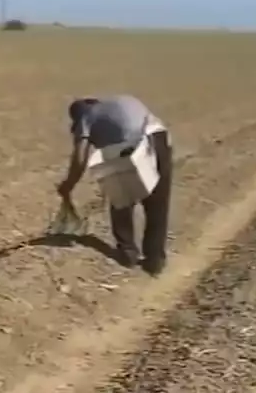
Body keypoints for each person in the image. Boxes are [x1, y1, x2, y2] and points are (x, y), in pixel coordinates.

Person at [57, 95, 173, 275]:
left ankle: (128, 253)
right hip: (158, 138)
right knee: (157, 202)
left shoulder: (86, 117)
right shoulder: (114, 104)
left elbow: (80, 159)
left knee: (121, 198)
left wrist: (67, 186)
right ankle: (155, 260)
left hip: (128, 143)